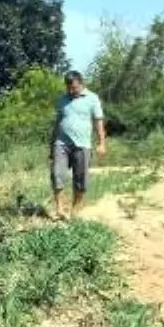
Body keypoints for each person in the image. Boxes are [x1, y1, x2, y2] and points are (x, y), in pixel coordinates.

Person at [49, 71, 106, 219]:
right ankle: (59, 209)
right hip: (61, 143)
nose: (70, 91)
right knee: (57, 175)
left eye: (73, 88)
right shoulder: (62, 99)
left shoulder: (92, 99)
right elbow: (58, 122)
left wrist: (101, 143)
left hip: (82, 145)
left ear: (81, 83)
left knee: (81, 180)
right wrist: (52, 143)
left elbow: (98, 121)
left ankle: (74, 210)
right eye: (68, 88)